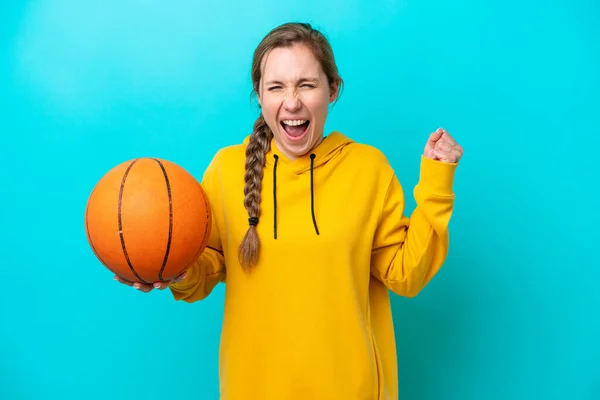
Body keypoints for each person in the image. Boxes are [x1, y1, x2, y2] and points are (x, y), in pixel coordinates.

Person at [116, 22, 463, 400]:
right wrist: (171, 268)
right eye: (276, 87)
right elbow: (203, 272)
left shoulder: (368, 169)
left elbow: (405, 275)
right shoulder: (226, 170)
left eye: (307, 85)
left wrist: (436, 186)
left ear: (332, 90)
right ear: (259, 97)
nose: (292, 102)